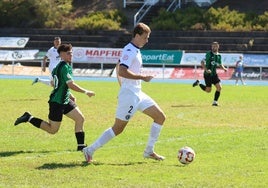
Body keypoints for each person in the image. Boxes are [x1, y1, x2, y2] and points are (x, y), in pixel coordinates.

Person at [83, 23, 166, 163]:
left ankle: (149, 151)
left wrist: (123, 84)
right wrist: (142, 78)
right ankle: (89, 150)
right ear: (137, 35)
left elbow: (118, 66)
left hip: (137, 93)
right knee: (118, 128)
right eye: (145, 37)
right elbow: (122, 70)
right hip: (130, 95)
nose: (147, 40)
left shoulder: (135, 50)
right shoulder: (129, 50)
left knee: (160, 117)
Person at [14, 44, 95, 151]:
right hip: (57, 102)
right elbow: (70, 84)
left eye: (71, 53)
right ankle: (28, 117)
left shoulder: (58, 67)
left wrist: (69, 95)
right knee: (52, 130)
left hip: (65, 100)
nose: (71, 55)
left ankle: (81, 146)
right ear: (61, 54)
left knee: (80, 118)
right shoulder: (64, 67)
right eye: (68, 53)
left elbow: (55, 83)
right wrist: (86, 91)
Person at [192, 41, 227, 106]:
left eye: (215, 46)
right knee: (208, 90)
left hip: (214, 75)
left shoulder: (219, 56)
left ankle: (215, 102)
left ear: (218, 47)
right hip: (207, 75)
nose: (214, 47)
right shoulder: (208, 54)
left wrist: (224, 68)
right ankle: (198, 83)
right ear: (211, 47)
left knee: (219, 87)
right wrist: (206, 70)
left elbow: (220, 64)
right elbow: (202, 62)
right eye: (213, 46)